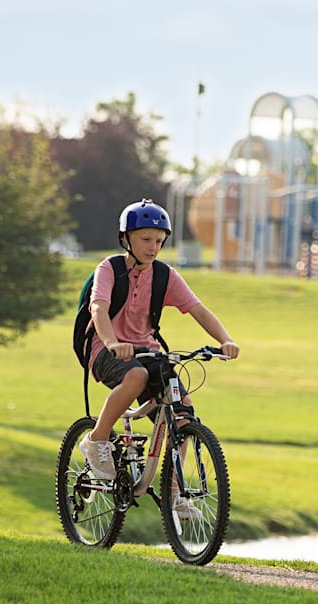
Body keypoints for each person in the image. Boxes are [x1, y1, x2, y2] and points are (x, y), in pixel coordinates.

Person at [78, 201, 240, 493]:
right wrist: (114, 342)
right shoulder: (110, 269)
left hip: (149, 351)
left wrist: (224, 340)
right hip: (106, 348)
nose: (153, 248)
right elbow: (98, 310)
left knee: (184, 410)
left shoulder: (165, 276)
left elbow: (199, 310)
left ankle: (176, 492)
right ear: (126, 238)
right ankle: (96, 440)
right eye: (146, 240)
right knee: (136, 376)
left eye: (159, 242)